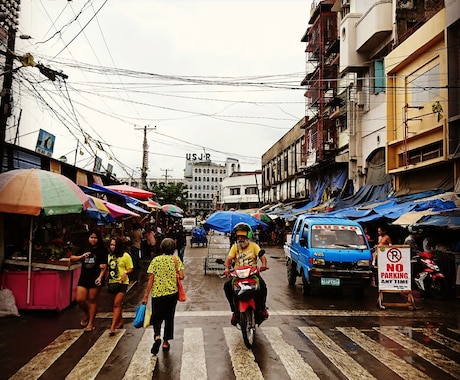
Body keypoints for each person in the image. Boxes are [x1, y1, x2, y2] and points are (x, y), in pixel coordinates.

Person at [142, 238, 184, 355]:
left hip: (157, 294)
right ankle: (166, 342)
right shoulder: (175, 260)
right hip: (171, 294)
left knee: (156, 317)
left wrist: (145, 296)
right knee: (169, 317)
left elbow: (151, 279)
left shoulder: (156, 260)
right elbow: (182, 276)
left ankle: (157, 336)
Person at [223, 222, 268, 326]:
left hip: (252, 274)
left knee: (263, 286)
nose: (240, 239)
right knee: (227, 287)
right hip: (238, 275)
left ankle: (262, 308)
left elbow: (262, 256)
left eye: (243, 236)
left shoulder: (254, 246)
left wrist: (264, 265)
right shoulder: (234, 247)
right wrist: (226, 268)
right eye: (239, 237)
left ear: (247, 236)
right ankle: (234, 311)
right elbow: (229, 259)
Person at [70, 228, 108, 332]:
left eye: (95, 238)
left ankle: (91, 323)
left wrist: (100, 277)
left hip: (95, 278)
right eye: (91, 237)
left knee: (92, 300)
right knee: (79, 299)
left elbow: (104, 265)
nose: (93, 240)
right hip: (84, 277)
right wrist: (81, 257)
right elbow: (72, 258)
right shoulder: (84, 248)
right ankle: (86, 312)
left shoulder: (102, 250)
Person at [107, 237, 133, 336]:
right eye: (111, 245)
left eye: (114, 245)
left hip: (122, 283)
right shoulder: (109, 256)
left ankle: (112, 326)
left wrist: (125, 273)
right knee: (116, 304)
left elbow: (130, 268)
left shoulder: (125, 256)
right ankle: (120, 320)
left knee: (117, 303)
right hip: (111, 282)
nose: (112, 247)